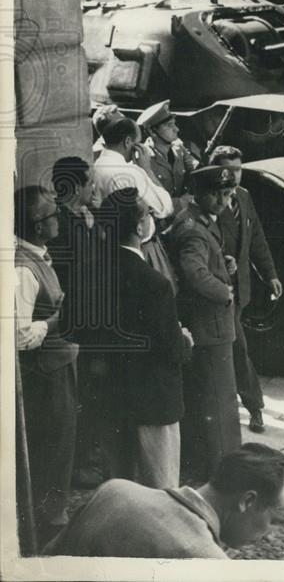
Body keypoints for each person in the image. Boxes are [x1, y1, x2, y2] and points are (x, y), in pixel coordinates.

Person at [44, 443, 284, 558]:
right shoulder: (207, 561)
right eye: (275, 521)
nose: (272, 535)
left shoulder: (114, 491)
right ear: (247, 501)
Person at [101, 189, 192, 487]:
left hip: (112, 394)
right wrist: (184, 340)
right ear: (139, 227)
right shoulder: (155, 283)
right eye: (147, 214)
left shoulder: (93, 271)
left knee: (120, 484)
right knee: (160, 486)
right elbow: (169, 348)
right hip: (153, 398)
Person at [14, 185, 79, 544]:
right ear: (39, 225)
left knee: (61, 447)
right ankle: (46, 528)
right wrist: (57, 320)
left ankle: (52, 517)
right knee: (51, 450)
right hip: (44, 376)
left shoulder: (38, 255)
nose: (59, 219)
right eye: (54, 214)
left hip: (59, 366)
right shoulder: (23, 268)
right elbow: (19, 336)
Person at [171, 166, 243, 481]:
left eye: (228, 194)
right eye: (221, 194)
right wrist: (224, 291)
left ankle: (213, 466)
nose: (225, 202)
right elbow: (194, 272)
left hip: (207, 326)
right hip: (210, 328)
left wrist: (225, 265)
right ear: (204, 193)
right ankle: (223, 473)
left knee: (213, 401)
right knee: (219, 402)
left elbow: (205, 262)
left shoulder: (197, 220)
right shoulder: (193, 228)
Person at [211, 145, 282, 434]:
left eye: (240, 169)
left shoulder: (244, 197)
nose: (236, 176)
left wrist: (271, 275)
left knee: (235, 348)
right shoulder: (210, 198)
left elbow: (256, 240)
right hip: (217, 288)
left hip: (240, 289)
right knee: (238, 349)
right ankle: (254, 407)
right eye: (230, 170)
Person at [47, 157, 108, 490]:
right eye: (89, 183)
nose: (94, 188)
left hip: (86, 320)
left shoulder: (78, 219)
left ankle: (85, 456)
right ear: (75, 187)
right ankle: (78, 465)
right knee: (80, 394)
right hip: (74, 324)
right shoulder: (60, 226)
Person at [93, 117, 177, 290]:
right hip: (141, 248)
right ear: (128, 142)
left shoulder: (95, 166)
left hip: (107, 248)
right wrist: (146, 169)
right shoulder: (131, 172)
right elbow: (165, 207)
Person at [136, 99, 200, 215]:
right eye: (169, 125)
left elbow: (195, 174)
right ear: (152, 131)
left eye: (174, 123)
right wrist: (182, 202)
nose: (176, 129)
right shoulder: (143, 158)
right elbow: (149, 199)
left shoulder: (179, 148)